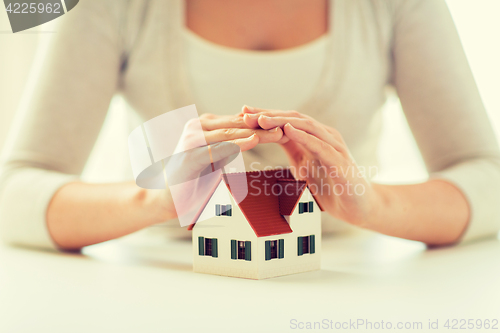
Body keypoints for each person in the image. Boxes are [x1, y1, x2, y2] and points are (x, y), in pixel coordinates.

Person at [1, 0, 499, 250]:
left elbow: (487, 176)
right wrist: (155, 199)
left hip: (349, 283)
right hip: (156, 290)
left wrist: (373, 202)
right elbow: (14, 189)